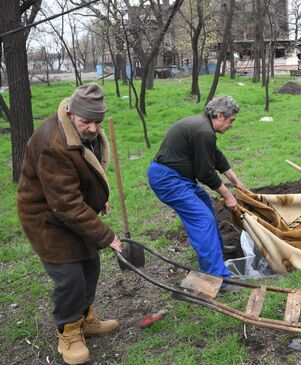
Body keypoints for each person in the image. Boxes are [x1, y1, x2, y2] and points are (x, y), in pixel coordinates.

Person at [17, 83, 123, 365]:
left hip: (74, 211)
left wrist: (99, 199)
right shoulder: (53, 143)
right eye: (86, 121)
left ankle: (84, 319)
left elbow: (86, 171)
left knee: (91, 265)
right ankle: (68, 330)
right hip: (46, 218)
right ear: (70, 112)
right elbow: (65, 203)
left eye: (97, 121)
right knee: (70, 278)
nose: (92, 128)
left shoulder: (83, 130)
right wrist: (107, 236)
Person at [147, 95, 246, 284]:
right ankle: (216, 278)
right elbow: (206, 173)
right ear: (219, 115)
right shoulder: (203, 132)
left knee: (205, 204)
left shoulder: (203, 127)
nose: (231, 125)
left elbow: (216, 156)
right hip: (167, 179)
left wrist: (236, 181)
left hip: (178, 178)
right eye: (230, 120)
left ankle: (215, 249)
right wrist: (228, 196)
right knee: (203, 219)